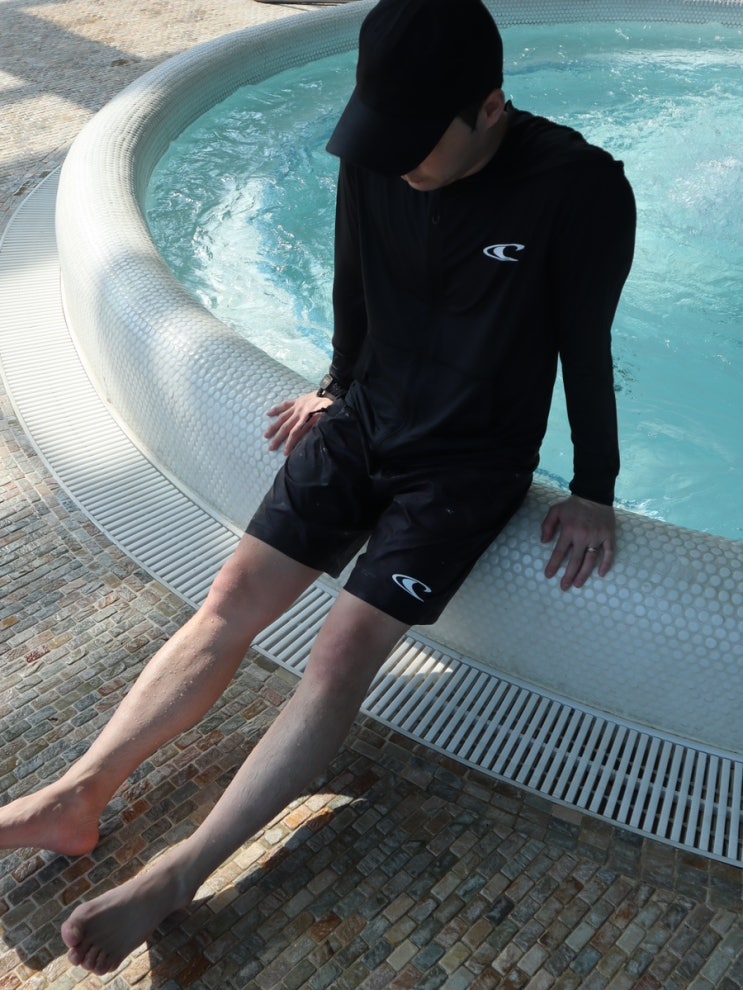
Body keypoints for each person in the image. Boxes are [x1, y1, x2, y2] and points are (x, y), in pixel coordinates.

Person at [0, 0, 635, 975]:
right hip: (365, 420)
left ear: (490, 108)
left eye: (418, 144)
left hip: (466, 465)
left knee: (338, 653)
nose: (397, 162)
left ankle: (179, 874)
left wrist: (592, 486)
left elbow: (584, 346)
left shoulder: (577, 188)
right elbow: (355, 276)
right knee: (228, 602)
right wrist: (336, 385)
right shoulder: (379, 147)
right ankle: (77, 795)